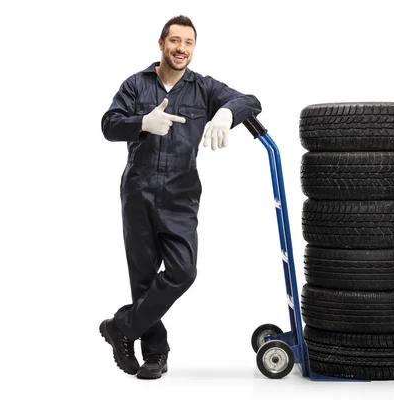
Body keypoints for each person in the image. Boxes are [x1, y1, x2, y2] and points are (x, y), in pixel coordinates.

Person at [99, 15, 262, 379]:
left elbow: (250, 101)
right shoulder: (136, 85)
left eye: (188, 43)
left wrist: (224, 112)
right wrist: (141, 122)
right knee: (142, 276)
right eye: (175, 41)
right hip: (138, 191)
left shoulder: (203, 88)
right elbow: (108, 124)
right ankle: (156, 355)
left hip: (181, 195)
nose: (181, 49)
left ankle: (121, 327)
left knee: (182, 272)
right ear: (161, 44)